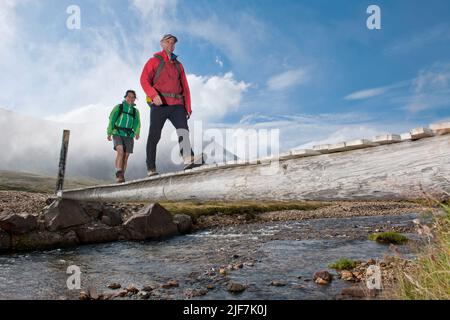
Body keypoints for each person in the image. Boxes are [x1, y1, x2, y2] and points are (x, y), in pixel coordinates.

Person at [140, 33, 204, 177]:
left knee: (183, 131)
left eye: (173, 43)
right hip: (159, 104)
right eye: (168, 42)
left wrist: (187, 107)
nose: (171, 45)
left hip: (177, 104)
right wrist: (153, 95)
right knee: (154, 136)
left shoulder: (178, 65)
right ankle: (151, 168)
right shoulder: (153, 61)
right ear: (162, 44)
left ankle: (188, 159)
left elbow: (185, 87)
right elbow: (144, 80)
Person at [107, 90, 141, 183]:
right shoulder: (119, 107)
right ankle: (118, 174)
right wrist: (109, 132)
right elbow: (112, 119)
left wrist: (137, 132)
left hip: (129, 135)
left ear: (135, 99)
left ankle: (121, 177)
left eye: (133, 97)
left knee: (125, 156)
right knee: (120, 152)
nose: (131, 98)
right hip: (117, 132)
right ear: (125, 97)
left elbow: (137, 123)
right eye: (129, 96)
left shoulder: (135, 111)